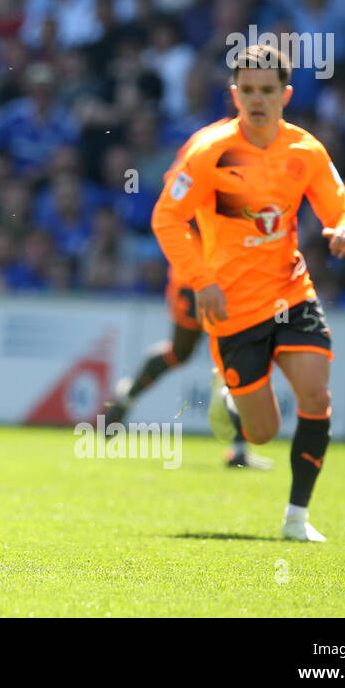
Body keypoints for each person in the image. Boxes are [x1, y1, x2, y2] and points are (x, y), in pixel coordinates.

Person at [152, 44, 345, 541]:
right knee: (262, 431)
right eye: (247, 90)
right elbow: (167, 216)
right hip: (232, 310)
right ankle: (231, 406)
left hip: (291, 293)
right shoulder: (208, 151)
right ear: (234, 94)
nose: (257, 100)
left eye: (267, 91)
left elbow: (342, 210)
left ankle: (296, 517)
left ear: (286, 95)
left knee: (315, 392)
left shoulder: (305, 150)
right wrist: (201, 279)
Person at [106, 116, 272, 469]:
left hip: (200, 271)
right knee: (232, 354)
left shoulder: (220, 147)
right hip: (205, 272)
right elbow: (175, 209)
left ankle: (125, 397)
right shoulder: (210, 152)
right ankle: (239, 449)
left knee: (188, 352)